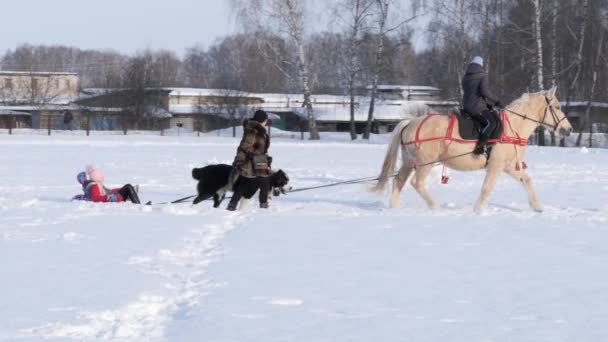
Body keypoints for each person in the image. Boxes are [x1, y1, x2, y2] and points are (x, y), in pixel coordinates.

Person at [226, 110, 272, 211]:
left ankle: (232, 204)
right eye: (265, 120)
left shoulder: (259, 130)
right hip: (253, 161)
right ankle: (263, 205)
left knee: (246, 183)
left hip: (259, 160)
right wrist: (255, 154)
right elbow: (244, 146)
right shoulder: (253, 130)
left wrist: (265, 156)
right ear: (262, 120)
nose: (266, 122)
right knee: (264, 183)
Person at [461, 56, 503, 155]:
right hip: (476, 108)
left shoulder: (465, 76)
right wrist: (496, 101)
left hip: (466, 106)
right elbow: (485, 92)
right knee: (491, 123)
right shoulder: (482, 75)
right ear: (481, 65)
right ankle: (480, 146)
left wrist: (486, 104)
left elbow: (472, 93)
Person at [71, 165, 141, 204]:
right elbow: (95, 198)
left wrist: (119, 189)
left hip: (115, 196)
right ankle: (138, 205)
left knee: (128, 187)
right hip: (115, 199)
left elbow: (108, 191)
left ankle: (133, 197)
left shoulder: (94, 186)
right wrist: (109, 198)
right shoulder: (93, 186)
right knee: (128, 187)